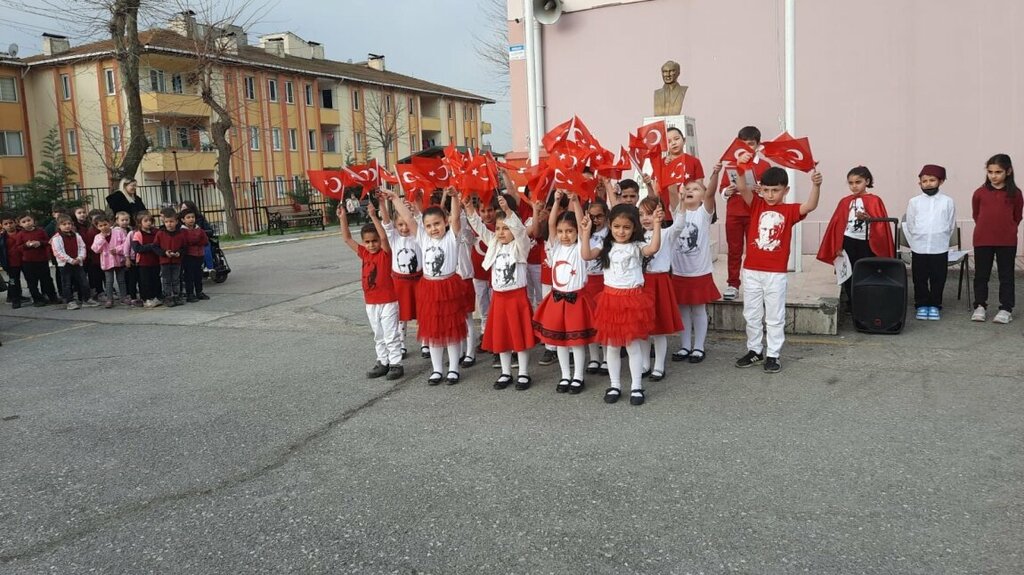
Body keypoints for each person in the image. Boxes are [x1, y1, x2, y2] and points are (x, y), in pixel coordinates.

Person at [733, 159, 821, 373]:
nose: (770, 194)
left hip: (775, 274)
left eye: (775, 190)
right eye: (766, 190)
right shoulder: (756, 204)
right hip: (752, 270)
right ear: (760, 189)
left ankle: (773, 354)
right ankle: (755, 350)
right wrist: (740, 167)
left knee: (774, 316)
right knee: (751, 314)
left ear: (785, 190)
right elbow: (742, 187)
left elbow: (810, 206)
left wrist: (816, 185)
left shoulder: (790, 211)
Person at [583, 202, 663, 406]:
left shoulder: (637, 247)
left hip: (632, 300)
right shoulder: (605, 246)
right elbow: (586, 255)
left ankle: (636, 386)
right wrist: (585, 233)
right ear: (610, 225)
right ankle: (615, 384)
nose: (621, 231)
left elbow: (653, 248)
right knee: (611, 346)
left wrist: (656, 225)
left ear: (634, 228)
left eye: (626, 227)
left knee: (632, 345)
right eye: (617, 226)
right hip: (610, 300)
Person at [386, 188, 468, 385]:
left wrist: (455, 198)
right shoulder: (422, 237)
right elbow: (409, 218)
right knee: (432, 330)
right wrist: (396, 199)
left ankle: (454, 369)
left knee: (451, 331)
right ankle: (437, 369)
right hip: (429, 288)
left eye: (437, 224)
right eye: (429, 225)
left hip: (448, 286)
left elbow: (456, 217)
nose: (433, 229)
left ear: (445, 222)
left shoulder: (451, 237)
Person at [464, 193, 536, 390]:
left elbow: (521, 232)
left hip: (517, 298)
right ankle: (505, 373)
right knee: (502, 336)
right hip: (500, 298)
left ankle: (523, 373)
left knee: (519, 337)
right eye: (498, 229)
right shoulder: (494, 244)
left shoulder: (521, 246)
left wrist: (508, 212)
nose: (501, 232)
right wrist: (470, 209)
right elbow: (480, 228)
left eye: (506, 228)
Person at [533, 191, 596, 394]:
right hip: (557, 300)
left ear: (577, 232)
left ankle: (578, 376)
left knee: (576, 343)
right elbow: (551, 224)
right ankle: (565, 375)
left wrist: (576, 201)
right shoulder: (555, 247)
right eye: (561, 232)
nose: (564, 235)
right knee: (559, 341)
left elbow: (581, 224)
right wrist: (558, 200)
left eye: (569, 231)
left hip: (576, 300)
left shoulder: (580, 248)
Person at [337, 200, 404, 380]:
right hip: (371, 302)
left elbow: (384, 238)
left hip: (388, 301)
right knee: (378, 334)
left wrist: (374, 216)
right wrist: (343, 218)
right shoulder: (364, 253)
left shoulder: (385, 253)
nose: (371, 245)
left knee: (391, 334)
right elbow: (347, 239)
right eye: (367, 242)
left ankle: (396, 363)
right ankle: (383, 362)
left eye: (374, 241)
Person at [815, 166, 894, 314]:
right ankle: (851, 302)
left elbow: (880, 224)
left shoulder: (875, 200)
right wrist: (837, 246)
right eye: (851, 183)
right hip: (848, 240)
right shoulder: (845, 202)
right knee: (848, 272)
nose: (854, 186)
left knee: (866, 271)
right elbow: (837, 225)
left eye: (858, 182)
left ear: (867, 181)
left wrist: (868, 218)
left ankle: (867, 301)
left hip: (867, 242)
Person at [671, 168, 722, 364]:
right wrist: (670, 166)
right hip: (680, 272)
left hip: (699, 272)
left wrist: (715, 174)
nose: (691, 190)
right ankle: (685, 346)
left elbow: (711, 193)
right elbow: (671, 192)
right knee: (683, 309)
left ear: (702, 196)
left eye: (696, 188)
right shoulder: (678, 212)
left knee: (698, 309)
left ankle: (699, 347)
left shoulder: (704, 213)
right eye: (688, 187)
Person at [638, 191, 685, 381]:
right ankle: (644, 363)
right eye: (641, 214)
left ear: (660, 214)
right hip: (641, 282)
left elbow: (680, 224)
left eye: (649, 213)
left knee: (659, 328)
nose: (645, 218)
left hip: (660, 282)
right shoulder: (637, 236)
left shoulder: (667, 233)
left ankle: (659, 365)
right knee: (642, 329)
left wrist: (679, 202)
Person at [721, 126, 772, 301]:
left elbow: (772, 192)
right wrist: (728, 190)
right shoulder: (731, 165)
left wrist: (761, 191)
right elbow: (722, 190)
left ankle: (755, 284)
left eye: (751, 144)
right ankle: (733, 284)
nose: (748, 147)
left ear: (758, 145)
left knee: (755, 249)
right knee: (734, 250)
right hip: (734, 213)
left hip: (755, 213)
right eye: (744, 144)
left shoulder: (764, 166)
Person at [971, 154, 1022, 323]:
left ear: (1008, 171)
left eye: (998, 172)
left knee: (1006, 275)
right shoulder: (980, 193)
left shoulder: (1015, 194)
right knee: (981, 274)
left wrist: (1008, 229)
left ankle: (1006, 308)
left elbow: (1017, 216)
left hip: (1006, 241)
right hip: (982, 240)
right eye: (990, 171)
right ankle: (980, 305)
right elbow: (976, 214)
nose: (993, 175)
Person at [903, 164, 956, 320]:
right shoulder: (914, 202)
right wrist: (917, 238)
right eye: (924, 181)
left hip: (939, 247)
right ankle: (921, 304)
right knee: (919, 277)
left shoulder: (948, 201)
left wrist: (942, 236)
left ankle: (934, 305)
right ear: (920, 183)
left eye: (932, 180)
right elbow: (911, 223)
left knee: (938, 277)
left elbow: (951, 223)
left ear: (941, 181)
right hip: (919, 247)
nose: (928, 184)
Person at [380, 195, 425, 359]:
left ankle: (425, 342)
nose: (404, 228)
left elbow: (419, 222)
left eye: (406, 224)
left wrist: (414, 207)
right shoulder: (394, 238)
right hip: (400, 282)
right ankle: (401, 343)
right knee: (401, 315)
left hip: (418, 280)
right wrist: (382, 204)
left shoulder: (418, 236)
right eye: (400, 224)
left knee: (422, 312)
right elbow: (386, 223)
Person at [581, 198, 609, 374]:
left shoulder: (609, 232)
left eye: (599, 216)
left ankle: (607, 357)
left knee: (604, 321)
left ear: (606, 216)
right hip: (588, 281)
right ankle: (594, 358)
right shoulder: (584, 232)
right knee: (590, 321)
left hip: (604, 281)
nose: (596, 220)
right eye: (592, 216)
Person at [50, 214, 97, 310]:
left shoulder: (77, 235)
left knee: (84, 282)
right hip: (65, 264)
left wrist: (80, 258)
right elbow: (58, 252)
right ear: (59, 226)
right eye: (64, 224)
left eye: (69, 224)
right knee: (66, 283)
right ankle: (69, 301)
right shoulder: (56, 238)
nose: (67, 226)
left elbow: (82, 247)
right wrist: (70, 260)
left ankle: (86, 299)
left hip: (78, 263)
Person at [13, 213, 61, 306]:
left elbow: (48, 242)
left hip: (42, 260)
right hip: (28, 262)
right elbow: (18, 247)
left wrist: (40, 243)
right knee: (32, 282)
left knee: (47, 279)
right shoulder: (20, 234)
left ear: (33, 221)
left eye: (29, 220)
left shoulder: (41, 231)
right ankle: (37, 299)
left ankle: (52, 297)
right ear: (20, 224)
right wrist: (26, 245)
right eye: (24, 222)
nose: (27, 223)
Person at [90, 214, 130, 309]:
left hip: (119, 260)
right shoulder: (98, 237)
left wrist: (118, 249)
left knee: (121, 280)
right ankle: (109, 299)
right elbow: (95, 249)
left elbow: (125, 244)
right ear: (97, 227)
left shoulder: (118, 232)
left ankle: (123, 297)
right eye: (100, 226)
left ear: (109, 223)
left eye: (105, 224)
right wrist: (102, 239)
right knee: (109, 281)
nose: (103, 227)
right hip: (107, 262)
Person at [153, 207, 186, 307]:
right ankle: (168, 297)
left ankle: (176, 295)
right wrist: (164, 253)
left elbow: (184, 247)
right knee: (166, 280)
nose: (169, 224)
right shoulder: (160, 233)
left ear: (176, 221)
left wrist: (179, 253)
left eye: (171, 221)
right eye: (167, 222)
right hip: (165, 261)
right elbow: (155, 246)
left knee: (176, 279)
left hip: (176, 261)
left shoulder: (180, 234)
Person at [131, 212, 163, 308]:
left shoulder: (155, 232)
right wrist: (151, 246)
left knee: (155, 279)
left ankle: (156, 297)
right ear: (140, 223)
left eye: (150, 221)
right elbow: (138, 248)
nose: (148, 223)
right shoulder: (138, 234)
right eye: (146, 221)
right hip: (144, 262)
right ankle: (146, 299)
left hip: (155, 261)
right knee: (145, 281)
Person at [179, 209, 210, 302]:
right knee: (189, 275)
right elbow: (186, 241)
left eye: (192, 217)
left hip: (199, 254)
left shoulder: (199, 229)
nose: (191, 219)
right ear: (183, 220)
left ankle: (199, 292)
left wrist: (195, 241)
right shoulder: (182, 231)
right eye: (188, 217)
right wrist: (196, 241)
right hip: (188, 255)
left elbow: (205, 240)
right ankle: (190, 294)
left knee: (198, 275)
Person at [114, 211, 141, 306]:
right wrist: (121, 252)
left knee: (130, 276)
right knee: (126, 278)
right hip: (122, 257)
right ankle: (128, 295)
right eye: (122, 220)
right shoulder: (116, 231)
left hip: (128, 256)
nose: (125, 222)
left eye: (127, 220)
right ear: (117, 221)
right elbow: (122, 245)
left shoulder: (129, 230)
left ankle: (131, 293)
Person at [1, 212, 23, 308]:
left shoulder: (22, 233)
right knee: (13, 282)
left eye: (11, 223)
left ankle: (36, 297)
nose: (9, 225)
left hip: (25, 261)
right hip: (11, 263)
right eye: (6, 224)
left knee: (31, 280)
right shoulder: (2, 238)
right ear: (2, 225)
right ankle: (15, 300)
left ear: (15, 223)